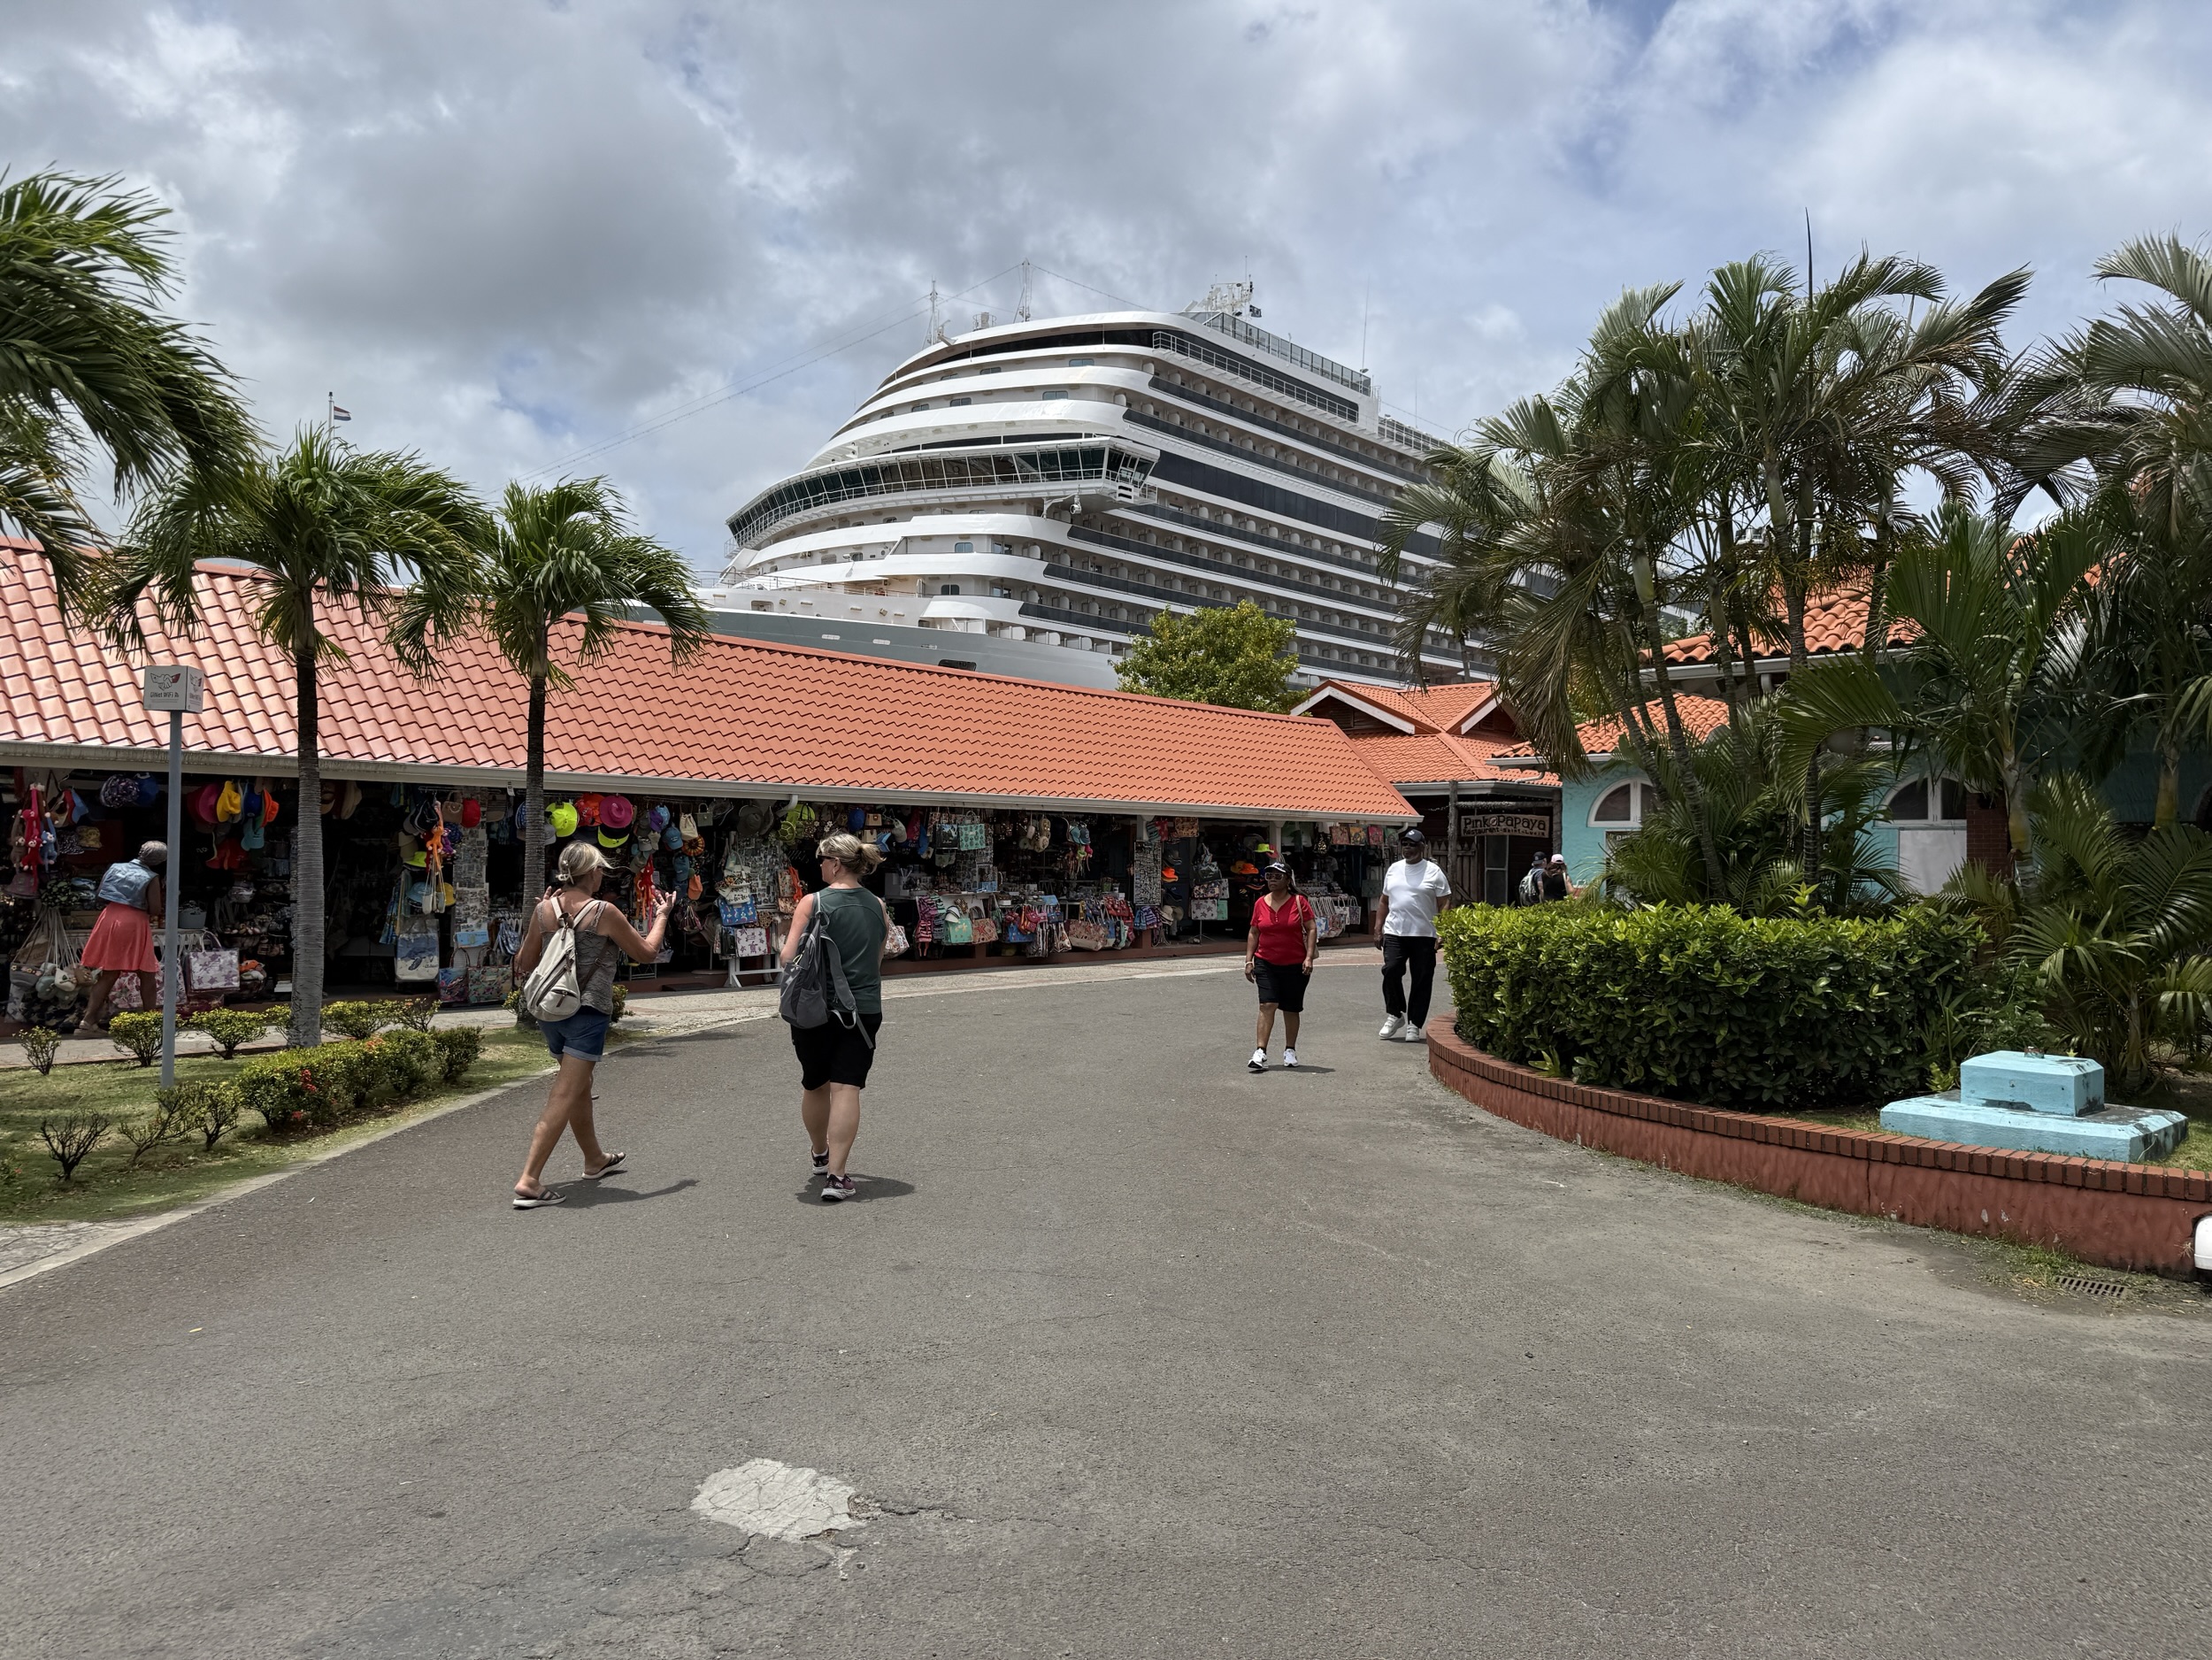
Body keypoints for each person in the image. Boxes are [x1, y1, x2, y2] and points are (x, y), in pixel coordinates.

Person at [508, 840, 674, 1210]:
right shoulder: (603, 912)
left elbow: (524, 962)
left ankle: (594, 1160)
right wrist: (662, 916)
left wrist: (540, 917)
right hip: (586, 1011)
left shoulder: (544, 910)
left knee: (580, 1085)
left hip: (551, 1011)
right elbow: (646, 953)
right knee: (565, 1093)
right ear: (590, 872)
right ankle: (530, 1179)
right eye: (600, 869)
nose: (602, 875)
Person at [780, 832, 893, 1203]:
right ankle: (837, 1175)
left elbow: (787, 956)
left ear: (835, 863)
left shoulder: (812, 902)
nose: (820, 867)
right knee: (847, 1087)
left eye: (822, 861)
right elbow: (876, 962)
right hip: (862, 1009)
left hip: (814, 1008)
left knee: (815, 1084)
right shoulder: (877, 906)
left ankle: (819, 1152)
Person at [1376, 827, 1452, 1042]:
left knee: (1421, 979)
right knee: (1391, 971)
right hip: (1395, 931)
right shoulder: (1393, 869)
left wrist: (1442, 930)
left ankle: (1414, 1024)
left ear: (1422, 847)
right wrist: (1377, 928)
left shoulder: (1433, 871)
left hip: (1424, 934)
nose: (1407, 848)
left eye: (1412, 844)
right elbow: (1384, 900)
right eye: (1405, 844)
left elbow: (1444, 901)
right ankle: (1395, 1013)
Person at [81, 841, 166, 1030]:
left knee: (109, 972)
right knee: (147, 973)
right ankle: (151, 1021)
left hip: (109, 916)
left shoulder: (115, 867)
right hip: (133, 922)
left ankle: (87, 1020)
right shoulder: (151, 877)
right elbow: (155, 909)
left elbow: (101, 895)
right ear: (159, 861)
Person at [1244, 860, 1318, 1072]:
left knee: (1291, 1008)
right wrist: (1249, 960)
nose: (1272, 880)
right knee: (1267, 1005)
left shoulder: (1299, 902)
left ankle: (1290, 1050)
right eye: (1269, 876)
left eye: (1277, 876)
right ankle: (1260, 1051)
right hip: (1266, 962)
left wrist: (1309, 957)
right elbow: (1254, 932)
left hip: (1296, 963)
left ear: (1288, 880)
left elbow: (1311, 928)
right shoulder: (1260, 903)